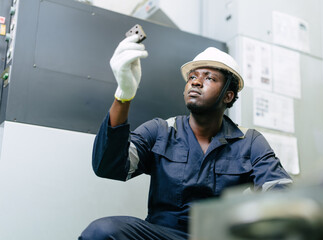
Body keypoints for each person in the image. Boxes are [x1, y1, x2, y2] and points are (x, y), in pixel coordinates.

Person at [79, 34, 292, 240]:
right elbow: (108, 166)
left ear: (228, 95)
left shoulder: (249, 142)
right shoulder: (161, 130)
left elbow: (281, 192)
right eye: (192, 77)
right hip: (162, 234)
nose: (196, 83)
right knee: (102, 231)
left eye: (209, 78)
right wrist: (123, 94)